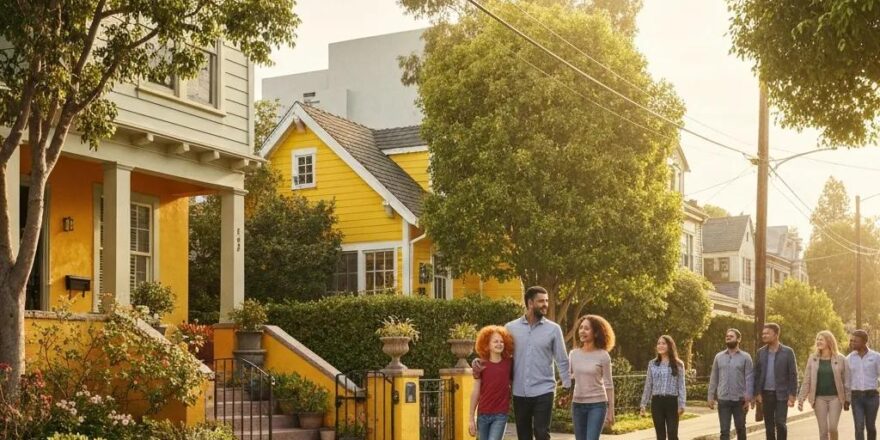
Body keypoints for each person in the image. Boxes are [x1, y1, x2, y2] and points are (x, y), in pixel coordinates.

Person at [473, 285, 571, 440]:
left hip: (544, 390)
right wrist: (479, 360)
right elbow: (499, 352)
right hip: (520, 392)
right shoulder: (510, 328)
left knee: (541, 432)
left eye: (546, 301)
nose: (545, 304)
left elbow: (562, 360)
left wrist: (567, 387)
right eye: (541, 301)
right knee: (524, 436)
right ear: (530, 303)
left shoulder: (554, 329)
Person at [569, 315, 615, 440]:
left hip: (597, 405)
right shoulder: (573, 354)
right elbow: (569, 377)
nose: (582, 331)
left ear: (596, 333)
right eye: (581, 328)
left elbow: (609, 385)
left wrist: (611, 411)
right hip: (577, 405)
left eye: (587, 328)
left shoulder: (603, 355)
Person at [797, 330, 850, 440]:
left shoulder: (841, 359)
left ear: (829, 341)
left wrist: (848, 399)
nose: (818, 341)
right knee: (823, 431)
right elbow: (807, 380)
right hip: (819, 398)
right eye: (817, 339)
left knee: (833, 428)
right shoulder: (813, 359)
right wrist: (801, 398)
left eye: (821, 339)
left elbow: (846, 381)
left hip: (836, 398)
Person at [468, 325, 515, 440]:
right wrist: (471, 418)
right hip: (483, 414)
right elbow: (476, 392)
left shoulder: (509, 363)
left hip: (500, 415)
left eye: (501, 341)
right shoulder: (480, 365)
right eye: (495, 341)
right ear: (487, 345)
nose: (499, 344)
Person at [753, 323, 798, 440]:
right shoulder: (760, 352)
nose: (764, 335)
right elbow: (757, 374)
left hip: (782, 394)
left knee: (780, 423)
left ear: (776, 335)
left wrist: (792, 394)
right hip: (766, 394)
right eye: (763, 333)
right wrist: (757, 393)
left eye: (767, 333)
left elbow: (793, 374)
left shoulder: (788, 352)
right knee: (769, 426)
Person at [708, 328, 753, 440]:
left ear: (739, 339)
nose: (728, 338)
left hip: (740, 400)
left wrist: (748, 398)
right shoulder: (718, 357)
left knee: (740, 429)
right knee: (724, 431)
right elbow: (714, 378)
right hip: (723, 400)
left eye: (731, 336)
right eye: (727, 336)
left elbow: (749, 378)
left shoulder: (746, 357)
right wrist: (710, 396)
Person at [640, 335, 686, 440]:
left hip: (672, 402)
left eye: (663, 343)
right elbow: (648, 385)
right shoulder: (652, 364)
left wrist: (682, 404)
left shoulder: (679, 364)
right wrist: (643, 404)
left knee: (672, 433)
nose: (660, 345)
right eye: (659, 343)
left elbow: (681, 386)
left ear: (670, 346)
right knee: (660, 435)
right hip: (657, 402)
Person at [848, 329, 880, 440]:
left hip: (872, 397)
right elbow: (846, 380)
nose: (852, 343)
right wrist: (846, 398)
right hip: (856, 397)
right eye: (851, 340)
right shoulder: (849, 358)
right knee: (859, 427)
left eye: (855, 341)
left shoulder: (876, 357)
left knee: (870, 426)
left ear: (864, 342)